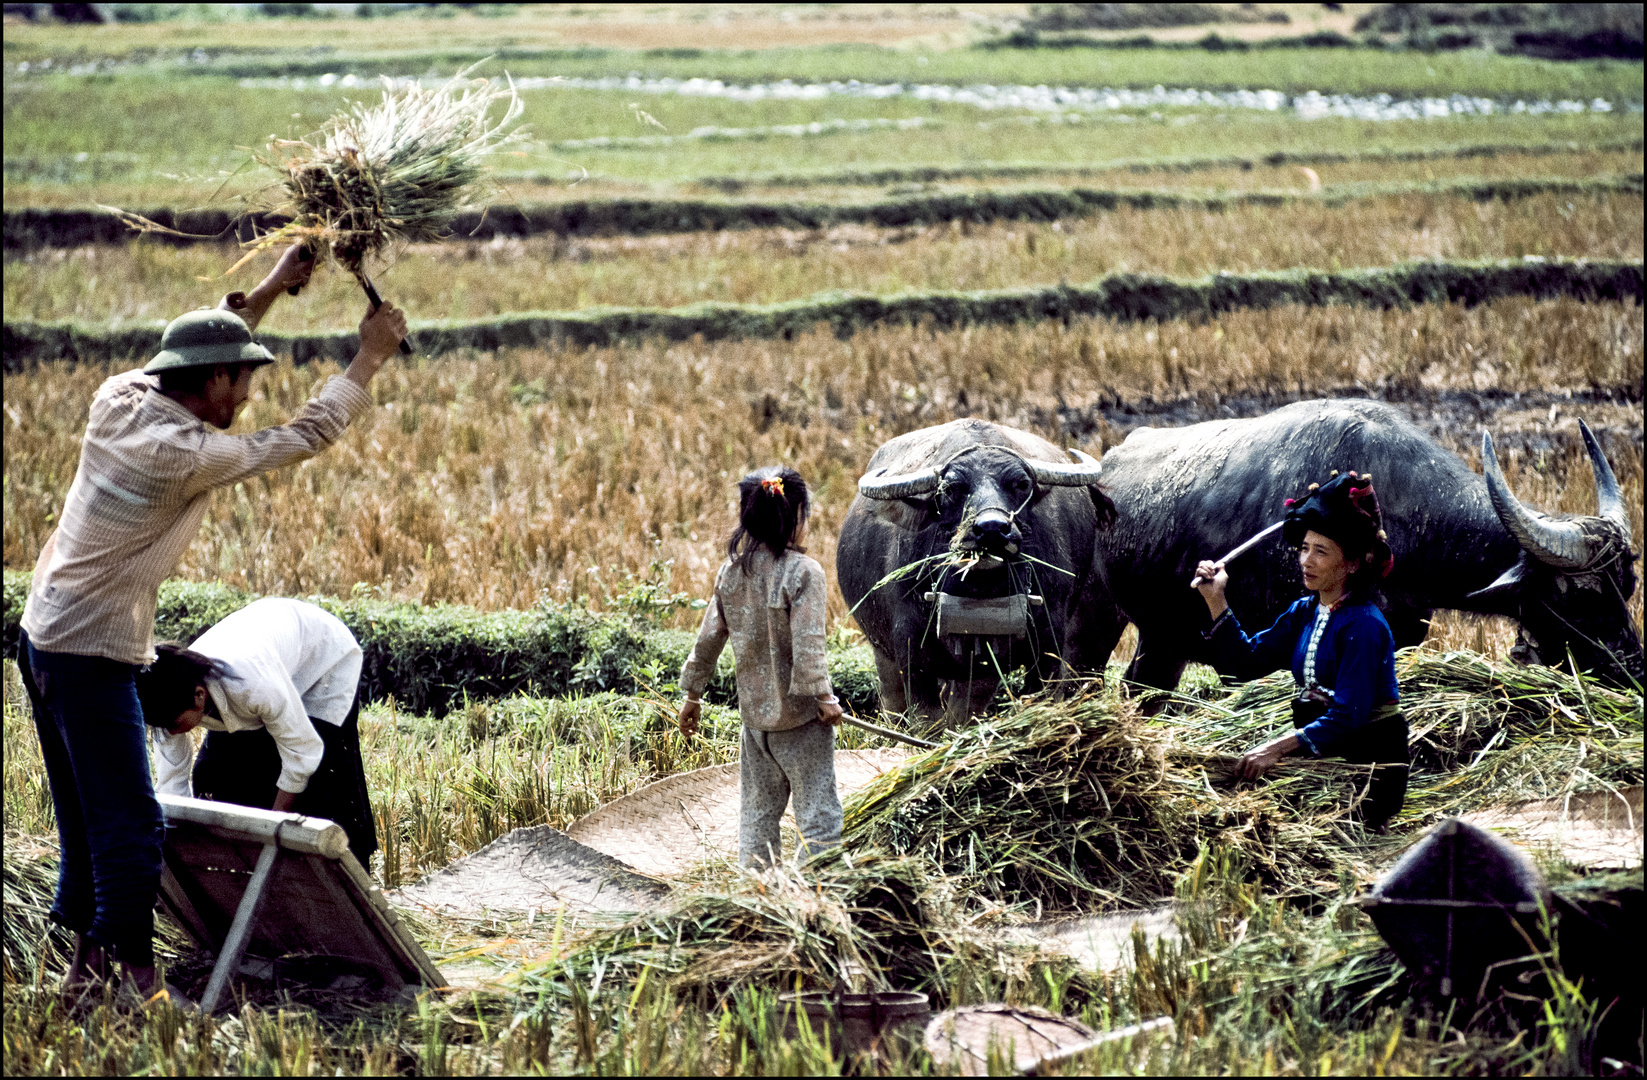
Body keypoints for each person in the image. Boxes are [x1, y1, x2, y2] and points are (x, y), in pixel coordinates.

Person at [16, 244, 406, 1005]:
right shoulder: (181, 452)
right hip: (91, 650)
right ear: (218, 380)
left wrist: (270, 288)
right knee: (130, 822)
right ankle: (134, 979)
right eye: (247, 379)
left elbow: (201, 341)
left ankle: (85, 972)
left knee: (85, 814)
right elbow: (305, 435)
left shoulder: (121, 397)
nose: (251, 395)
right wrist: (368, 360)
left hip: (44, 636)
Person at [1191, 470, 1408, 829]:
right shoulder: (1305, 612)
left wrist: (1274, 749)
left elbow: (1348, 716)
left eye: (1320, 551)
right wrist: (1216, 599)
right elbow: (1245, 663)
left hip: (1367, 769)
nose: (1306, 561)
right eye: (1304, 548)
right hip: (1322, 757)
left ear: (1352, 563)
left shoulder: (1364, 626)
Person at [677, 467, 846, 868]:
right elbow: (809, 646)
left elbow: (708, 639)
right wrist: (824, 697)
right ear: (796, 518)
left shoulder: (731, 573)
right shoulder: (804, 573)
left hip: (755, 724)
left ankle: (757, 903)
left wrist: (692, 694)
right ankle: (818, 900)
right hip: (801, 721)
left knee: (757, 816)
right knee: (818, 817)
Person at [136, 598, 377, 868]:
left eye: (174, 724)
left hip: (323, 659)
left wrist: (272, 829)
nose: (169, 732)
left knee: (321, 783)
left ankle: (342, 874)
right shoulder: (167, 699)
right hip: (267, 653)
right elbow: (172, 787)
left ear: (199, 696)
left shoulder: (254, 686)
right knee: (212, 775)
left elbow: (303, 754)